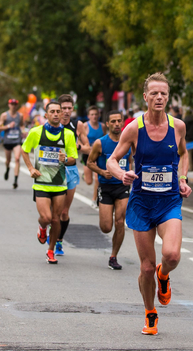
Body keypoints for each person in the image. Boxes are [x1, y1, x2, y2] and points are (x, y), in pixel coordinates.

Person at [107, 72, 191, 336]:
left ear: (168, 97)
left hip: (168, 202)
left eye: (163, 93)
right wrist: (122, 174)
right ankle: (150, 312)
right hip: (142, 203)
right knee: (145, 267)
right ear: (145, 97)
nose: (159, 97)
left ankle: (163, 275)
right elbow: (111, 160)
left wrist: (182, 178)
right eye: (154, 93)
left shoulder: (178, 127)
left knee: (172, 256)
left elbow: (184, 153)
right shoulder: (134, 128)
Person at [20, 100, 78, 264]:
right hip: (42, 183)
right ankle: (42, 227)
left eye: (58, 111)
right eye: (52, 111)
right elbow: (24, 150)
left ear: (61, 114)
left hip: (59, 183)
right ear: (46, 115)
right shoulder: (36, 132)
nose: (56, 114)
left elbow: (73, 159)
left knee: (56, 219)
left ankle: (51, 250)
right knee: (46, 217)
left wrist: (65, 159)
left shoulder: (68, 134)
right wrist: (31, 168)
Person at [86, 110, 131, 270]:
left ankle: (113, 256)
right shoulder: (100, 143)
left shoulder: (128, 142)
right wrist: (102, 172)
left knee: (120, 221)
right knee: (106, 227)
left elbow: (132, 161)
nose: (117, 124)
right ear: (107, 124)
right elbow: (89, 162)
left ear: (122, 122)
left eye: (119, 121)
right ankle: (112, 251)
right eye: (113, 121)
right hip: (105, 187)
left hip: (122, 187)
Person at [55, 94, 90, 256]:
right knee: (52, 211)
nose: (66, 111)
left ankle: (59, 240)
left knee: (64, 212)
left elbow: (88, 148)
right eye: (63, 108)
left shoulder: (77, 125)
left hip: (70, 170)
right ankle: (48, 228)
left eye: (69, 108)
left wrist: (78, 147)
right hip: (54, 170)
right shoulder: (51, 124)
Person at [0, 98, 25, 189]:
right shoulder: (4, 115)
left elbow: (22, 125)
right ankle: (7, 168)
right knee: (8, 160)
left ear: (17, 105)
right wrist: (8, 126)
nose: (13, 106)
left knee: (17, 159)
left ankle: (15, 180)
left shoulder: (20, 115)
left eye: (15, 104)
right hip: (7, 141)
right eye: (12, 104)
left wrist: (23, 131)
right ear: (9, 105)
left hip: (17, 140)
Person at [85, 105, 106, 203]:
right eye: (92, 114)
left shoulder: (102, 126)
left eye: (96, 114)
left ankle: (94, 198)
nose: (94, 116)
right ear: (88, 116)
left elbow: (105, 139)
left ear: (99, 115)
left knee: (97, 178)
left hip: (99, 155)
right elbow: (80, 141)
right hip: (87, 155)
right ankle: (85, 175)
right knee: (89, 181)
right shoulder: (85, 126)